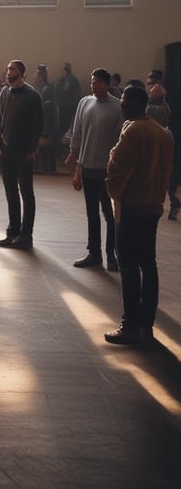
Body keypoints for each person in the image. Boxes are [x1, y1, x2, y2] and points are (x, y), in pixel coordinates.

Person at [104, 85, 173, 344]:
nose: (121, 105)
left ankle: (129, 325)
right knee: (148, 264)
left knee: (128, 266)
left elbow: (116, 168)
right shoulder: (163, 133)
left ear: (133, 104)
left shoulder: (133, 130)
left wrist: (115, 195)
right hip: (153, 207)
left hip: (131, 207)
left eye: (123, 101)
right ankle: (147, 325)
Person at [65, 69, 123, 271]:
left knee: (110, 214)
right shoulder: (85, 103)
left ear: (107, 84)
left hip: (107, 170)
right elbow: (78, 132)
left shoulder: (117, 107)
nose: (93, 85)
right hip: (88, 167)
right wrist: (76, 162)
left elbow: (120, 141)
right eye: (92, 82)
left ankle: (111, 254)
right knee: (92, 212)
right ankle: (94, 253)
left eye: (97, 82)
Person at [0, 60, 43, 249]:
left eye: (12, 69)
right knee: (10, 192)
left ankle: (26, 235)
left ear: (22, 72)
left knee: (26, 193)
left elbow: (37, 126)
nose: (8, 72)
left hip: (24, 151)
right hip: (6, 148)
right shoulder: (3, 92)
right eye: (7, 69)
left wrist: (33, 150)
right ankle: (12, 232)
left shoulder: (32, 96)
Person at [34, 64, 57, 174]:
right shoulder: (39, 89)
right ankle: (43, 167)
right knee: (42, 146)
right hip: (40, 119)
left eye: (38, 76)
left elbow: (49, 108)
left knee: (47, 145)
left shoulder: (47, 89)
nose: (36, 78)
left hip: (47, 120)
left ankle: (48, 167)